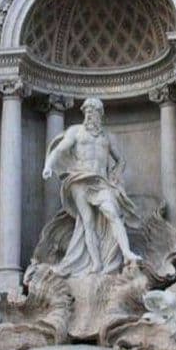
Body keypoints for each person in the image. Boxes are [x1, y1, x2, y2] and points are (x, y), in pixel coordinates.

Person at [42, 97, 142, 276]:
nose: (89, 115)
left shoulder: (107, 137)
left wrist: (115, 177)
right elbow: (59, 150)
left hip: (100, 181)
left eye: (93, 111)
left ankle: (127, 253)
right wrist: (48, 166)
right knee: (88, 222)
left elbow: (121, 161)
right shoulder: (76, 132)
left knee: (113, 213)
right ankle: (96, 264)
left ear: (100, 114)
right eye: (86, 111)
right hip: (79, 179)